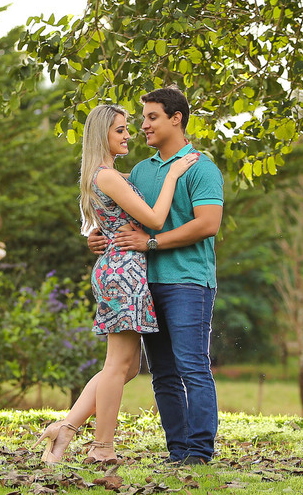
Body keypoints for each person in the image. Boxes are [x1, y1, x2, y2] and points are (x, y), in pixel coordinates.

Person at [39, 103, 198, 465]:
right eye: (120, 130)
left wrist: (100, 236)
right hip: (122, 271)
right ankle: (101, 448)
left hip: (122, 268)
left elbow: (106, 222)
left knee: (126, 368)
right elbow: (156, 218)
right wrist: (173, 175)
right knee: (117, 365)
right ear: (102, 135)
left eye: (128, 128)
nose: (129, 135)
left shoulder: (112, 175)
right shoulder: (107, 176)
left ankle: (66, 428)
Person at [88, 87, 224, 466]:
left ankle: (199, 452)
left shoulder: (201, 167)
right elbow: (117, 207)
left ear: (175, 118)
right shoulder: (143, 171)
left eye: (151, 117)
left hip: (189, 282)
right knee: (162, 374)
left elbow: (208, 224)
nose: (142, 125)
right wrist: (99, 237)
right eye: (142, 118)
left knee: (192, 366)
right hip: (145, 285)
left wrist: (151, 243)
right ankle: (177, 451)